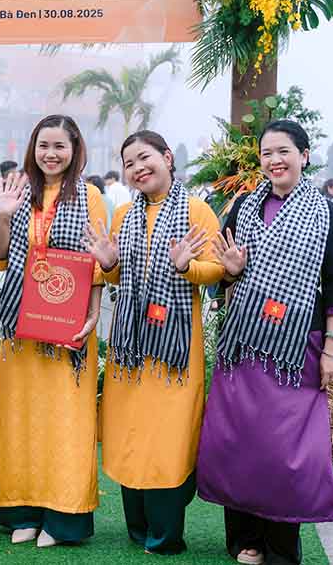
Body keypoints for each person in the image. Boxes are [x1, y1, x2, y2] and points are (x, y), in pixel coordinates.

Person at [198, 120, 333, 565]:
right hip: (244, 343)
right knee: (238, 438)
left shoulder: (327, 212)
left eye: (284, 151)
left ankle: (282, 545)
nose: (275, 160)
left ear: (304, 155)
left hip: (294, 347)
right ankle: (245, 537)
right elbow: (222, 269)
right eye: (266, 153)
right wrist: (229, 269)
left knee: (287, 448)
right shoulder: (243, 206)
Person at [84, 131, 224, 555]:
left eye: (144, 158)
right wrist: (107, 264)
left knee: (168, 436)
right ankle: (136, 527)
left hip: (175, 352)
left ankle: (165, 533)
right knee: (131, 432)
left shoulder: (197, 210)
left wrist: (188, 267)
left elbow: (217, 269)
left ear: (167, 157)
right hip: (131, 348)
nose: (137, 168)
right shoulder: (123, 213)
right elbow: (116, 274)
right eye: (129, 163)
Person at [0, 115, 106, 548]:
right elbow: (0, 259)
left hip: (67, 328)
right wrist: (2, 218)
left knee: (64, 420)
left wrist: (91, 315)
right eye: (43, 146)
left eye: (59, 146)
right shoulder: (18, 191)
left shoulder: (89, 195)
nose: (50, 154)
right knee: (19, 418)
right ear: (32, 149)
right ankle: (21, 509)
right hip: (21, 326)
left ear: (75, 150)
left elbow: (94, 263)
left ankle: (62, 516)